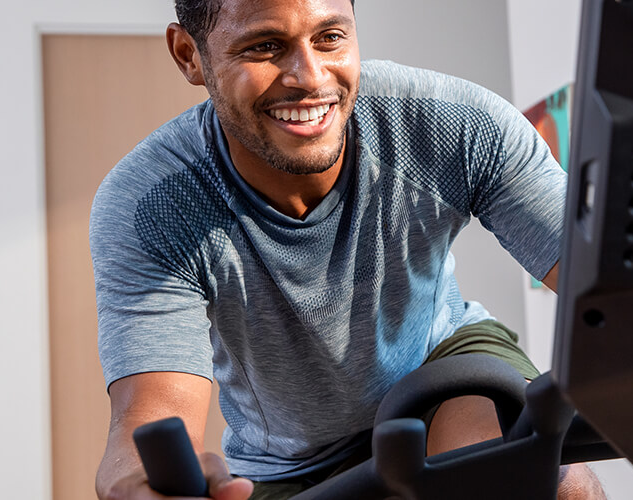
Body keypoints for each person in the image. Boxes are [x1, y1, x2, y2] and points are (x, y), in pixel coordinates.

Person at [91, 0, 606, 498]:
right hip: (286, 460)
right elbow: (148, 419)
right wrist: (139, 480)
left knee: (550, 484)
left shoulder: (453, 125)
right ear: (189, 55)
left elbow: (613, 296)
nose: (310, 77)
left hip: (440, 362)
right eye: (265, 46)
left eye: (330, 37)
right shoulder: (149, 204)